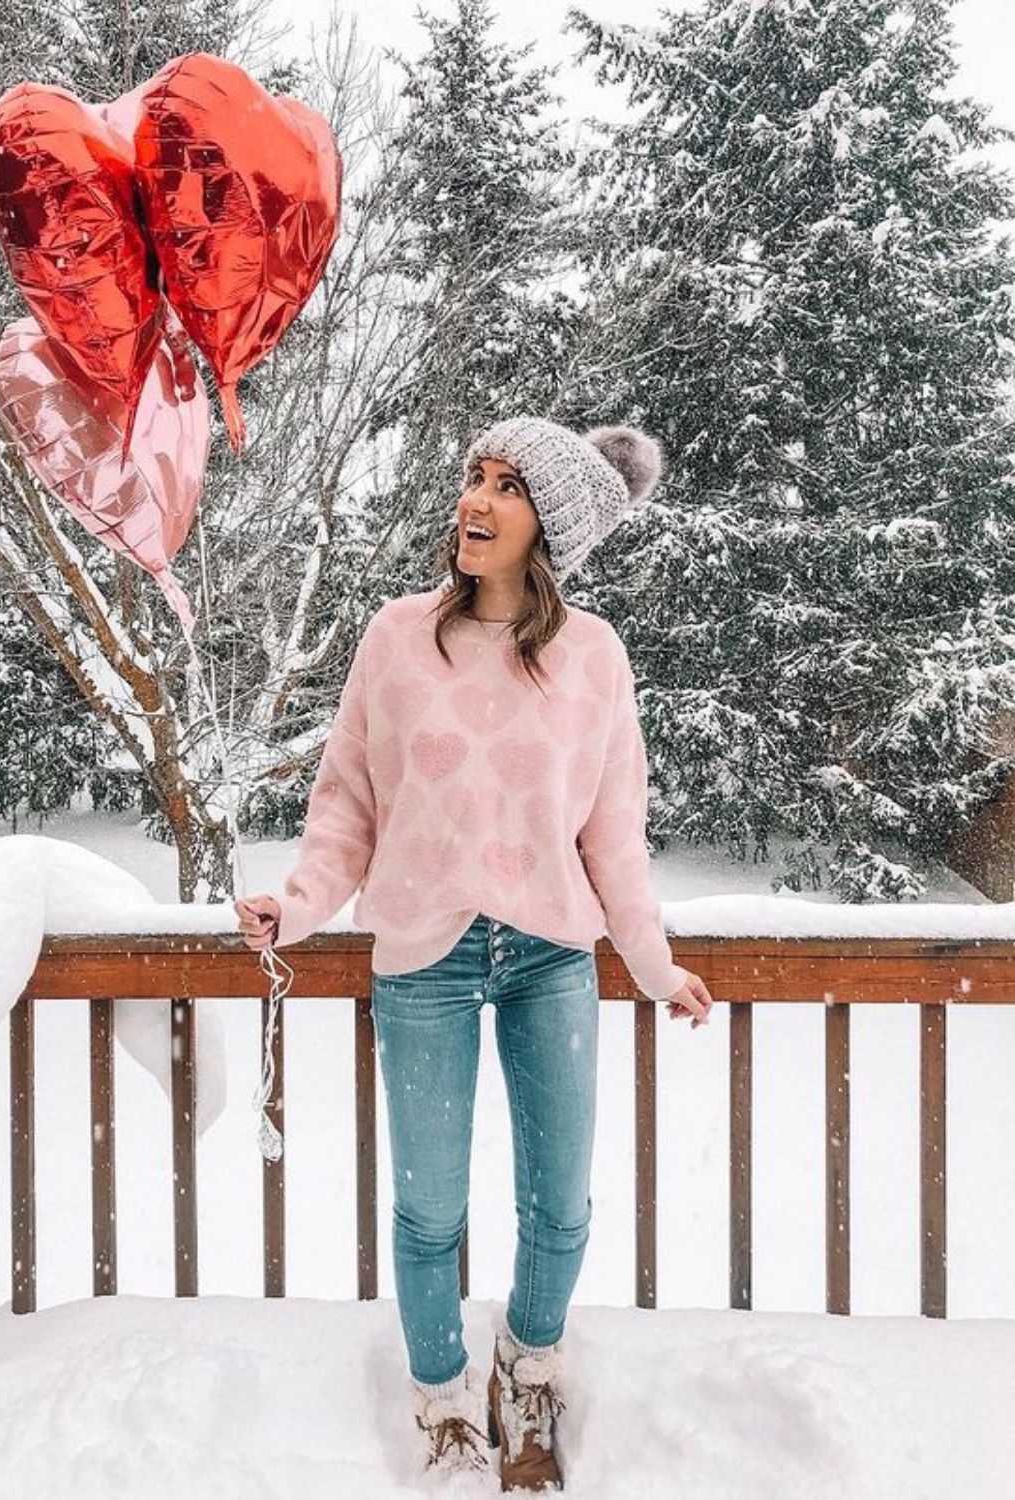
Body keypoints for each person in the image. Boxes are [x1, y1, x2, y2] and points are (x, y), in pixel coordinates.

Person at [235, 415, 714, 1491]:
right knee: (429, 1208)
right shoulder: (397, 636)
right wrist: (302, 904)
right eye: (475, 476)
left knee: (561, 1202)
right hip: (423, 951)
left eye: (508, 487)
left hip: (550, 953)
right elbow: (348, 799)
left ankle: (527, 1368)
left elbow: (613, 837)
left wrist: (651, 961)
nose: (477, 501)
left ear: (555, 525)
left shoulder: (594, 658)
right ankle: (447, 1405)